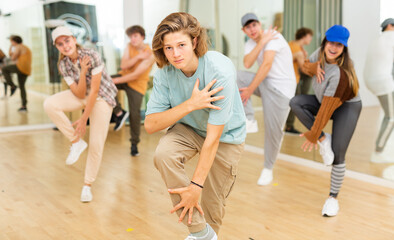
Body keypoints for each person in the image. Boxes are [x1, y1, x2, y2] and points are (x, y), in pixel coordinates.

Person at [145, 12, 246, 240]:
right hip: (188, 129)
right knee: (163, 155)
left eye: (181, 45)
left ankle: (207, 233)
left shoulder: (219, 71)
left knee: (212, 205)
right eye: (168, 48)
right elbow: (150, 124)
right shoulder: (165, 73)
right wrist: (191, 104)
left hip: (225, 137)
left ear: (195, 41)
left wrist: (195, 187)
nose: (175, 54)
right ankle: (200, 233)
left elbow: (213, 139)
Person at [290, 25, 362, 217]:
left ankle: (332, 199)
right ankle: (325, 140)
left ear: (344, 48)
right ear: (324, 42)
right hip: (325, 101)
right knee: (296, 102)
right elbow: (304, 64)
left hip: (346, 106)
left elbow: (324, 112)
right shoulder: (319, 53)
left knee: (338, 152)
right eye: (331, 42)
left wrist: (313, 135)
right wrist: (312, 67)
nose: (333, 48)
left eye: (339, 45)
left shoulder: (340, 74)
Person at [43, 26, 117, 203]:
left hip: (102, 97)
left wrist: (84, 118)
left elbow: (95, 90)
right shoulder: (63, 64)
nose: (65, 46)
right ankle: (76, 142)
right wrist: (83, 72)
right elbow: (79, 93)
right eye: (60, 44)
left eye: (67, 41)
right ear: (57, 47)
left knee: (96, 144)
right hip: (84, 95)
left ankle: (87, 185)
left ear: (74, 40)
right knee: (50, 103)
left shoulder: (92, 55)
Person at [237, 13, 296, 186]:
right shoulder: (251, 42)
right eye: (248, 27)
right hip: (266, 84)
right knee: (237, 76)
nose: (252, 29)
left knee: (274, 132)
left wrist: (250, 90)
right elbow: (247, 63)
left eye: (254, 25)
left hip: (281, 91)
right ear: (244, 30)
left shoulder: (274, 37)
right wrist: (260, 42)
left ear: (259, 24)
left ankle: (268, 168)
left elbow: (266, 64)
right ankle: (249, 119)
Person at [111, 25, 155, 156]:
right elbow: (123, 65)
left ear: (142, 37)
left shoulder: (150, 54)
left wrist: (115, 81)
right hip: (124, 77)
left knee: (135, 114)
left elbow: (136, 75)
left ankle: (134, 145)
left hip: (137, 84)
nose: (132, 39)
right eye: (130, 37)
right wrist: (137, 57)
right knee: (103, 82)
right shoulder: (129, 46)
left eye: (135, 36)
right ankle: (119, 113)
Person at [364, 18, 394, 162]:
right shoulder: (391, 37)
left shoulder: (376, 39)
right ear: (389, 26)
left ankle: (379, 149)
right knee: (392, 117)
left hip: (370, 80)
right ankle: (378, 152)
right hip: (383, 82)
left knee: (390, 113)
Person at [285, 27, 314, 134]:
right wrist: (315, 73)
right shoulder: (298, 50)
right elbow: (303, 68)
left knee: (295, 100)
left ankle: (304, 97)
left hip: (289, 76)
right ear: (305, 36)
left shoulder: (292, 44)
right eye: (310, 37)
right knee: (295, 102)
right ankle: (289, 126)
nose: (310, 39)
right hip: (292, 78)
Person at [2, 35, 32, 111]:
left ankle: (12, 86)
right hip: (27, 69)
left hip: (21, 67)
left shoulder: (18, 46)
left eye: (11, 41)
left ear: (14, 41)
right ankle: (24, 106)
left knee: (4, 69)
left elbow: (13, 58)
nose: (11, 43)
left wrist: (10, 48)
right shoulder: (25, 47)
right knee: (22, 87)